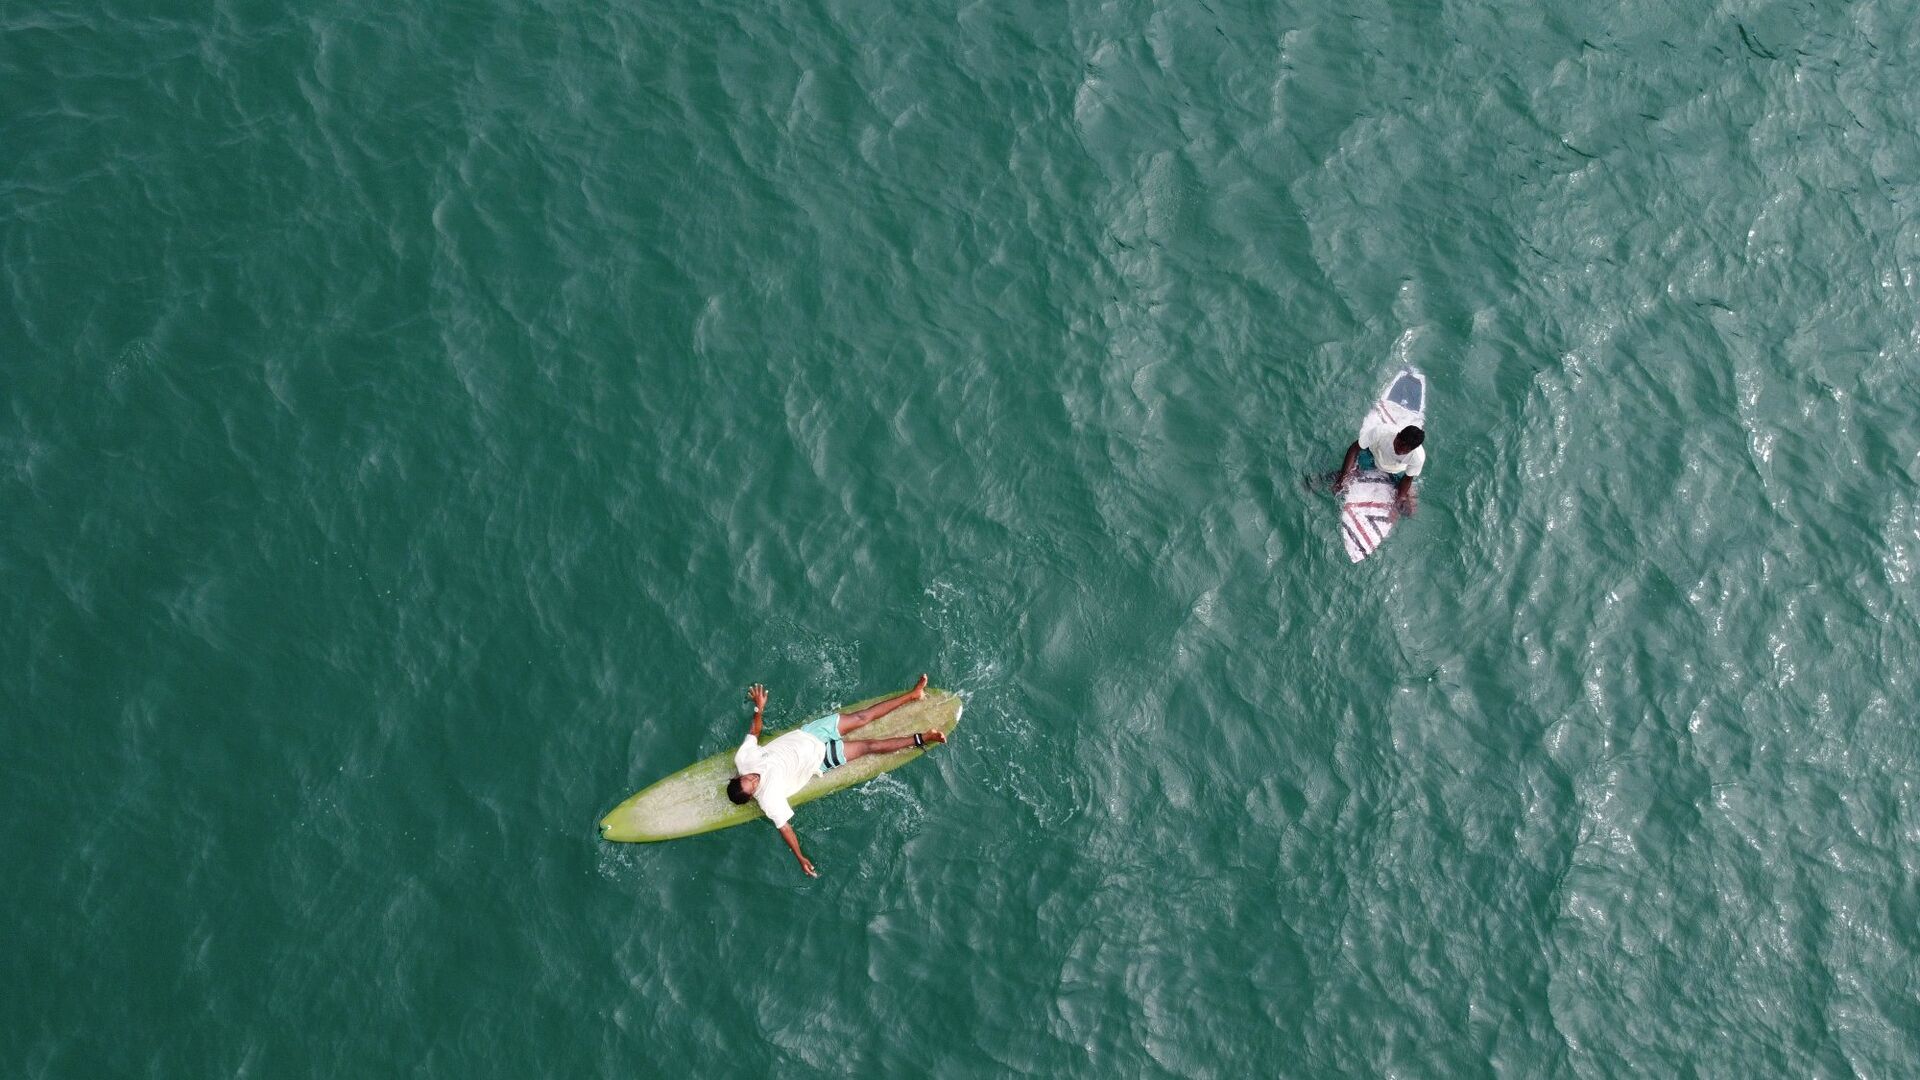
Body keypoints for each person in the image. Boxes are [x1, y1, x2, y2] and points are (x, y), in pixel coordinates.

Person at [727, 675, 946, 877]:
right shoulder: (768, 799)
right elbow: (785, 828)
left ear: (738, 776)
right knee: (870, 745)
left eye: (750, 778)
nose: (755, 779)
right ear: (752, 795)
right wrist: (800, 857)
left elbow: (754, 732)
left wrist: (759, 709)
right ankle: (923, 738)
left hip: (811, 733)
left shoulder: (744, 760)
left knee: (862, 717)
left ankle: (914, 694)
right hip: (820, 759)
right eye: (753, 786)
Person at [1335, 406, 1425, 518]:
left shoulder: (1418, 457)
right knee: (1343, 478)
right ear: (1397, 436)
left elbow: (1408, 478)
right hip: (1372, 456)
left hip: (1396, 470)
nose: (1399, 451)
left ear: (1412, 450)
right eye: (1398, 445)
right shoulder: (1381, 431)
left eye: (1404, 451)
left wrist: (1400, 497)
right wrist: (1344, 476)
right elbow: (1354, 448)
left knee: (1409, 511)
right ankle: (1318, 481)